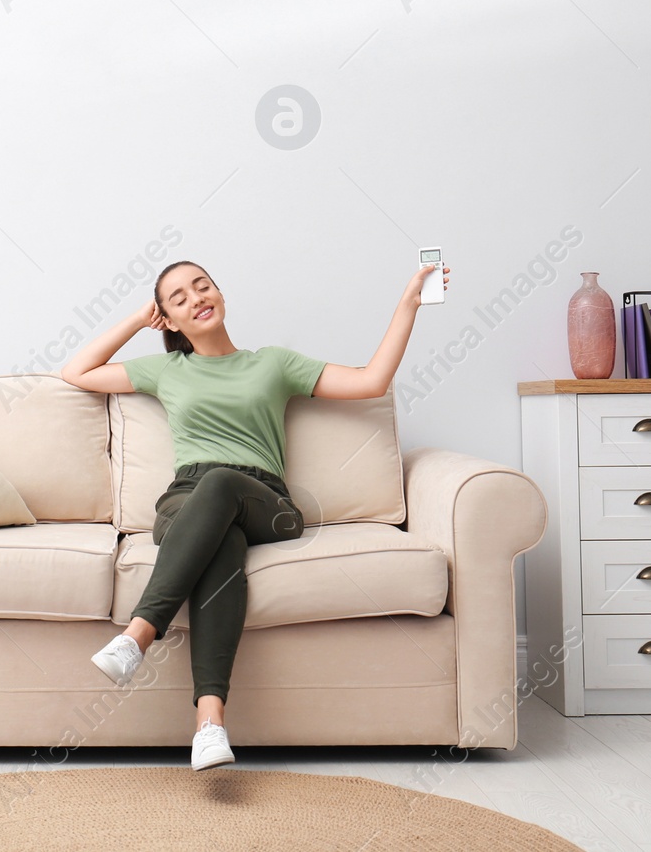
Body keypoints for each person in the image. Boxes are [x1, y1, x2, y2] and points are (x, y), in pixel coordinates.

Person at [60, 258, 449, 770]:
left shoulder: (273, 363)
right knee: (219, 544)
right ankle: (210, 727)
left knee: (222, 482)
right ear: (168, 320)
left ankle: (138, 636)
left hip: (265, 502)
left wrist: (408, 304)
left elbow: (371, 381)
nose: (196, 297)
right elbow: (76, 373)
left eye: (202, 286)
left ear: (220, 294)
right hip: (185, 501)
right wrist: (138, 319)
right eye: (178, 298)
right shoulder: (167, 369)